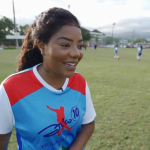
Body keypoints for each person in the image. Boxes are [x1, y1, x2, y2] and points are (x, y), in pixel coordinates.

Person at [0, 7, 96, 150]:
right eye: (65, 45)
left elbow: (88, 124)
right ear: (42, 46)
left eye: (80, 46)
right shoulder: (11, 88)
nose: (77, 53)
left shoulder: (79, 82)